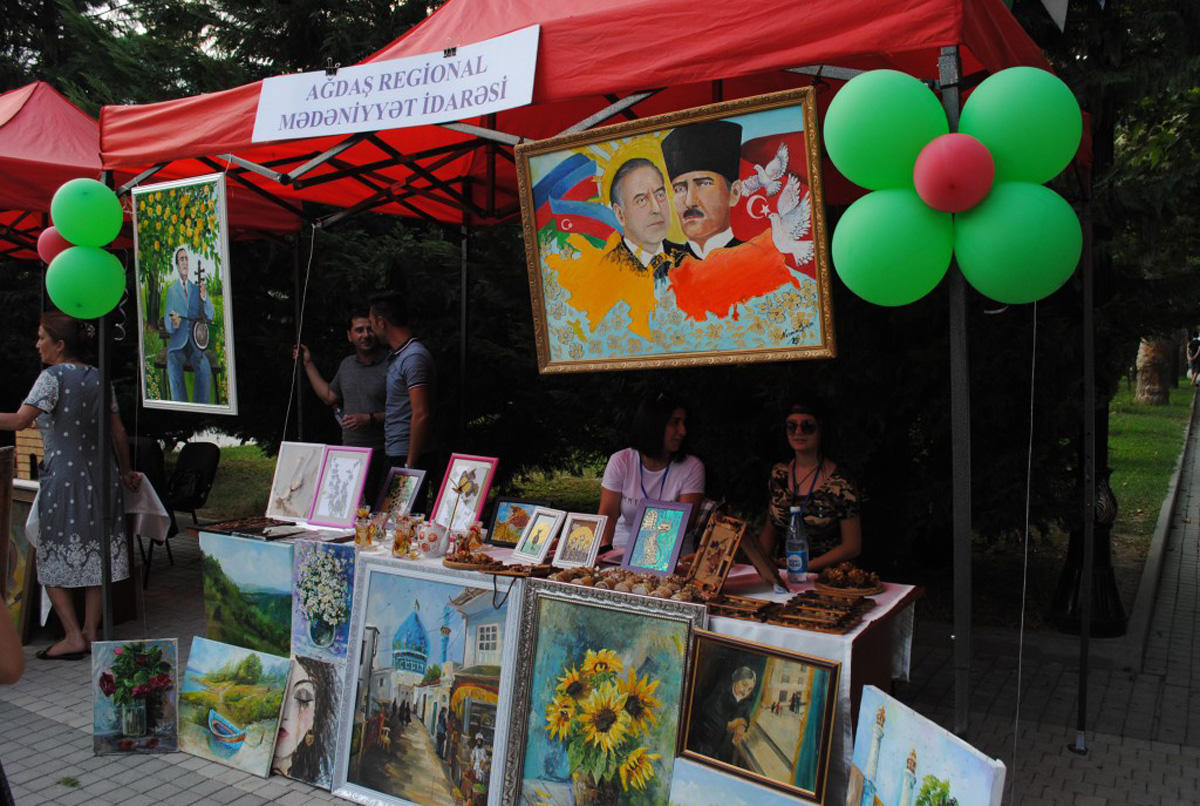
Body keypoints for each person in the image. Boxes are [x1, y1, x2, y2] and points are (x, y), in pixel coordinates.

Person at [0, 312, 140, 660]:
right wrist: (126, 471)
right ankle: (91, 632)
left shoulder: (51, 378)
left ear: (59, 345)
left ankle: (73, 635)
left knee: (49, 556)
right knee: (97, 554)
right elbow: (118, 432)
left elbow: (19, 421)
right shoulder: (100, 377)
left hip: (64, 480)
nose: (37, 344)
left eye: (41, 337)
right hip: (103, 477)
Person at [756, 399, 862, 572]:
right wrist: (759, 566)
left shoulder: (841, 482)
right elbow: (771, 527)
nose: (798, 432)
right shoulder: (779, 474)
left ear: (821, 430)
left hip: (827, 577)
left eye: (807, 426)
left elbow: (852, 546)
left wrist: (805, 566)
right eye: (791, 426)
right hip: (786, 574)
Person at [294, 311, 389, 501]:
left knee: (378, 509)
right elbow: (329, 397)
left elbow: (404, 412)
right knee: (349, 507)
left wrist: (370, 418)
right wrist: (308, 364)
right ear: (349, 336)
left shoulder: (391, 363)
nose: (365, 335)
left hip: (383, 452)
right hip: (351, 452)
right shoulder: (347, 365)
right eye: (359, 330)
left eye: (369, 329)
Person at [598, 391, 705, 550]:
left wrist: (643, 555)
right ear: (654, 425)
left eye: (684, 423)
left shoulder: (692, 467)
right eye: (675, 423)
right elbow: (608, 515)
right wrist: (605, 550)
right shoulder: (621, 460)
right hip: (621, 548)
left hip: (669, 552)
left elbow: (684, 524)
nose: (683, 431)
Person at [369, 292, 434, 495]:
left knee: (400, 514)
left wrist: (410, 466)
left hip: (406, 457)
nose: (371, 331)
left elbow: (421, 413)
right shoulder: (399, 356)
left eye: (371, 323)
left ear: (381, 322)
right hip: (395, 452)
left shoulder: (413, 357)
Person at [661, 120, 744, 260]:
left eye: (704, 184)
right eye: (680, 189)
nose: (689, 202)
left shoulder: (756, 259)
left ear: (734, 193)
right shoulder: (666, 266)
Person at [602, 157, 687, 283]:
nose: (656, 208)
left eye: (660, 195)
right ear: (620, 215)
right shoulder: (605, 273)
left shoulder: (688, 259)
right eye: (641, 200)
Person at [272, 656, 337, 785]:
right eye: (279, 692)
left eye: (303, 700)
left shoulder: (322, 775)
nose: (285, 713)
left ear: (316, 716)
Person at [162, 246, 215, 403]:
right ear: (177, 265)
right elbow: (167, 323)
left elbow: (210, 315)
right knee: (173, 363)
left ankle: (201, 408)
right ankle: (180, 407)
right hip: (178, 345)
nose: (184, 262)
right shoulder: (172, 291)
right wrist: (174, 322)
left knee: (204, 367)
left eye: (186, 259)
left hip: (194, 344)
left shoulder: (196, 288)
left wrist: (204, 297)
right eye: (181, 259)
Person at [689, 665, 758, 765]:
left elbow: (746, 717)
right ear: (736, 679)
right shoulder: (721, 693)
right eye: (744, 685)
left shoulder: (746, 701)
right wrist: (735, 724)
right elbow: (713, 719)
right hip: (706, 744)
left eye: (749, 689)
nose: (745, 691)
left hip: (724, 749)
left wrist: (742, 725)